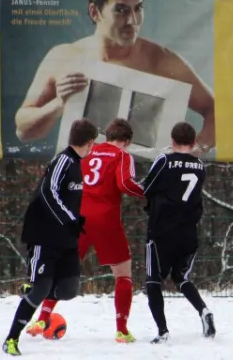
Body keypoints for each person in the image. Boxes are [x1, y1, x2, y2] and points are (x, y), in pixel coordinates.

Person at [14, 0, 215, 153]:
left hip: (140, 180)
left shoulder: (162, 61)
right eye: (121, 10)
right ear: (95, 12)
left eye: (138, 8)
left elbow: (217, 110)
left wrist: (193, 153)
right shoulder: (65, 57)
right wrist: (58, 104)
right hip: (84, 179)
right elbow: (23, 130)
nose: (132, 20)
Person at [25, 118, 144, 343]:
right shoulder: (122, 156)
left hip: (77, 218)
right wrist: (149, 192)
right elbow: (125, 184)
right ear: (126, 142)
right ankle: (121, 330)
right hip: (106, 220)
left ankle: (42, 318)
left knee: (60, 271)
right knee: (123, 274)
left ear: (106, 137)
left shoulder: (88, 151)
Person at [2, 119, 98, 356]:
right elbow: (48, 192)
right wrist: (69, 219)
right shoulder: (63, 160)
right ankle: (11, 339)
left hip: (66, 238)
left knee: (69, 290)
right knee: (41, 288)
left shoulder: (77, 163)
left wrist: (76, 221)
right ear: (89, 143)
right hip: (44, 235)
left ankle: (34, 289)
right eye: (92, 145)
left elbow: (68, 199)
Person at [142, 121, 216, 344]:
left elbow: (147, 186)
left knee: (154, 281)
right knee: (181, 277)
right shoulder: (199, 165)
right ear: (193, 143)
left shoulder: (164, 160)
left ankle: (163, 331)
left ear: (172, 141)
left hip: (162, 232)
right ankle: (204, 311)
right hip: (188, 232)